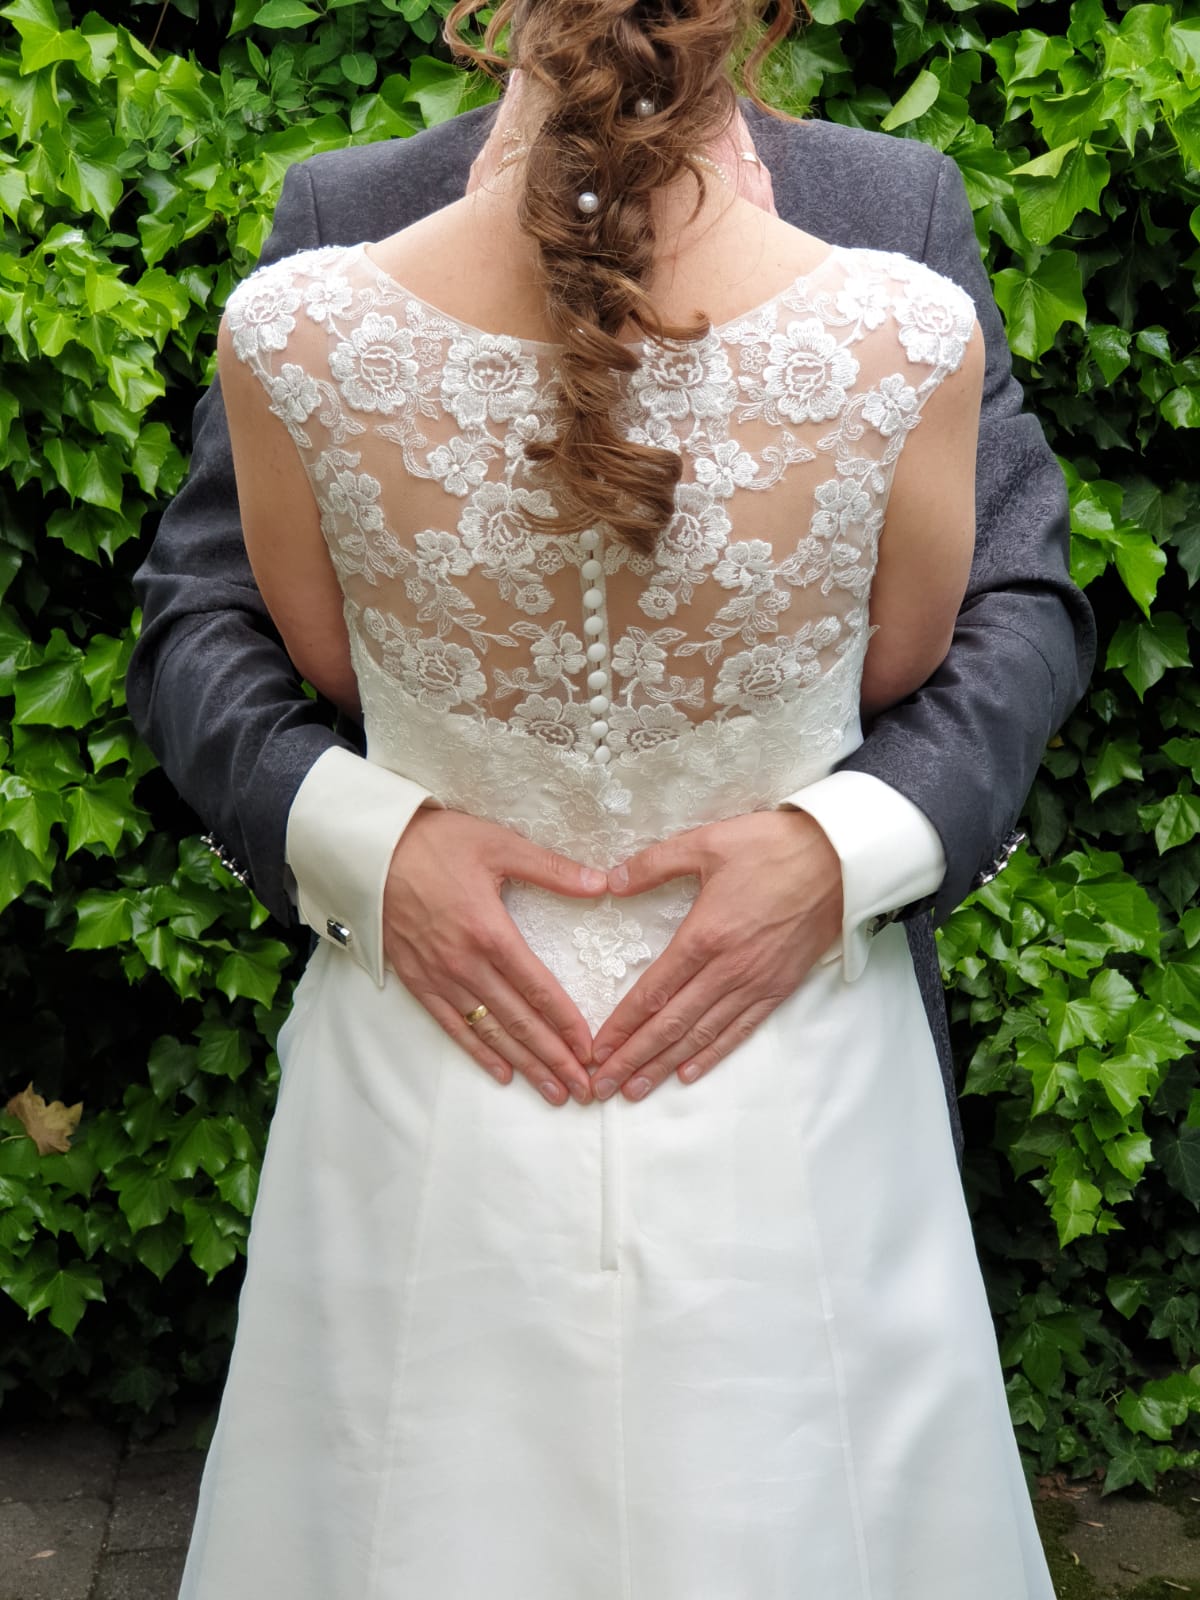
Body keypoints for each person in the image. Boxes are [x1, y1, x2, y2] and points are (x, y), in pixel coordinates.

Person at [127, 0, 1092, 1590]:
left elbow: (1026, 601)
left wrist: (846, 847)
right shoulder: (335, 220)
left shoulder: (898, 209)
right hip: (457, 1017)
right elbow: (197, 619)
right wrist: (370, 847)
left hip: (769, 1027)